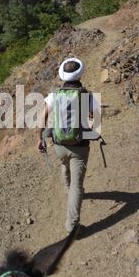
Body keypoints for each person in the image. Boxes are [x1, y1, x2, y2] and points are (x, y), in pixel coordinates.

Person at [37, 58, 99, 234]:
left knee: (64, 165)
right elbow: (97, 120)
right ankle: (72, 227)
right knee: (77, 186)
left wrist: (39, 139)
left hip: (59, 145)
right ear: (80, 73)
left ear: (62, 74)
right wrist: (91, 132)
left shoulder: (54, 95)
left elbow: (42, 118)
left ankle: (67, 190)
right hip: (79, 146)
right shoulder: (88, 95)